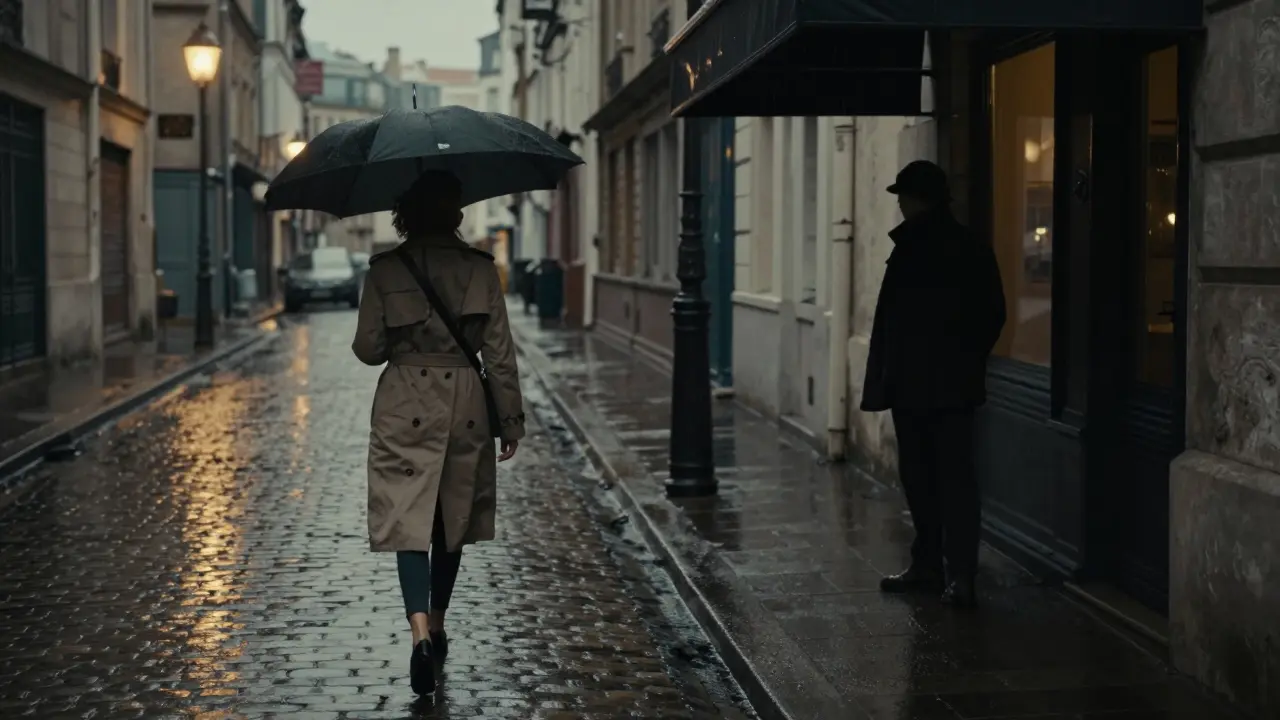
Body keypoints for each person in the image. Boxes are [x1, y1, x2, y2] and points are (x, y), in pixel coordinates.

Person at [351, 170, 526, 694]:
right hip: (464, 403)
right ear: (454, 213)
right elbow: (499, 353)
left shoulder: (385, 270)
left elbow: (368, 350)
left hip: (403, 401)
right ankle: (442, 622)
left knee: (407, 516)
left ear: (406, 215)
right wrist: (509, 420)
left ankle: (419, 634)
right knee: (452, 515)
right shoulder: (479, 268)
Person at [861, 160, 1006, 608]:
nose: (900, 205)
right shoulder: (965, 246)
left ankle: (945, 571)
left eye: (903, 197)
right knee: (942, 479)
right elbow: (991, 315)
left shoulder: (927, 247)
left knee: (935, 480)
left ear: (917, 199)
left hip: (925, 386)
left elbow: (985, 315)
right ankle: (946, 571)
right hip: (942, 386)